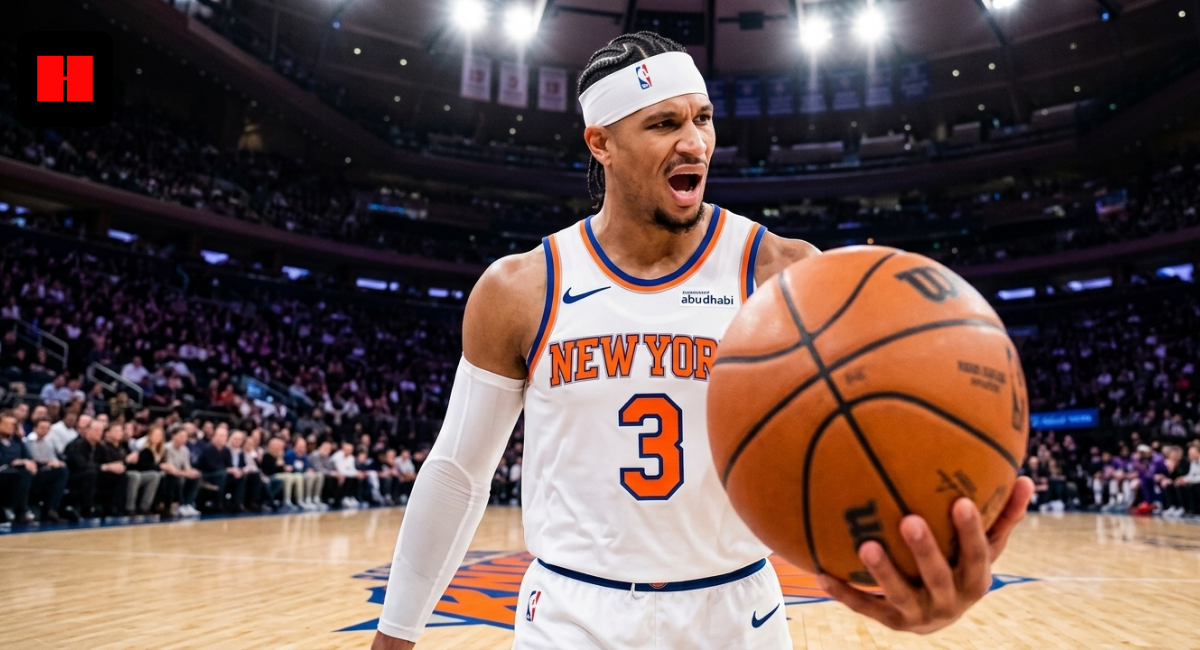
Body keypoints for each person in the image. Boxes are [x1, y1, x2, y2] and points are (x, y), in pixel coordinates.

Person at [373, 32, 1033, 650]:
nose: (694, 142)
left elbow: (867, 441)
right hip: (573, 614)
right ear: (600, 142)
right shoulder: (522, 288)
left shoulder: (782, 273)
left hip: (735, 613)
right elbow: (458, 473)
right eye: (663, 124)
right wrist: (395, 633)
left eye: (703, 118)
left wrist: (922, 575)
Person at [23, 417, 68, 523]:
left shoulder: (50, 442)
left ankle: (51, 509)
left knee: (62, 471)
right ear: (35, 428)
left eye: (47, 428)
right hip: (33, 471)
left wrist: (59, 463)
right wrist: (45, 462)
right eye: (42, 427)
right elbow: (28, 459)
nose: (45, 430)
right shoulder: (27, 442)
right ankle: (34, 506)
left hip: (47, 471)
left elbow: (56, 458)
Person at [0, 411, 40, 525]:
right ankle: (20, 511)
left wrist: (30, 463)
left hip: (17, 472)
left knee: (55, 472)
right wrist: (17, 462)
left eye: (13, 425)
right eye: (7, 424)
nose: (10, 427)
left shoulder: (17, 440)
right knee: (22, 474)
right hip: (3, 472)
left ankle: (44, 508)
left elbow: (28, 457)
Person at [127, 425, 166, 516]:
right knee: (156, 475)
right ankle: (131, 508)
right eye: (155, 435)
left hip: (149, 474)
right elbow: (144, 466)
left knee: (163, 476)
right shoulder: (144, 449)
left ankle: (148, 506)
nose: (157, 437)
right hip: (139, 473)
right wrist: (160, 467)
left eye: (159, 435)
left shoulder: (162, 450)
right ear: (149, 435)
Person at [163, 426, 202, 517]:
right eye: (181, 436)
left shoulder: (185, 450)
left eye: (185, 437)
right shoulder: (167, 448)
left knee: (196, 476)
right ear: (173, 436)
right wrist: (185, 473)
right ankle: (181, 505)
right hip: (168, 474)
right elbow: (171, 469)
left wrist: (192, 472)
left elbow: (187, 467)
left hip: (180, 473)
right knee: (178, 478)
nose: (183, 439)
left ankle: (188, 504)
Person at [284, 437, 323, 510]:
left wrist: (310, 470)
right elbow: (289, 468)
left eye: (303, 446)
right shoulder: (289, 454)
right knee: (302, 476)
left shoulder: (304, 456)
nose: (302, 448)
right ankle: (301, 500)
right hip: (294, 474)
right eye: (300, 446)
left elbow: (308, 466)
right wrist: (305, 471)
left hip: (302, 473)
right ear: (295, 445)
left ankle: (314, 498)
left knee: (318, 475)